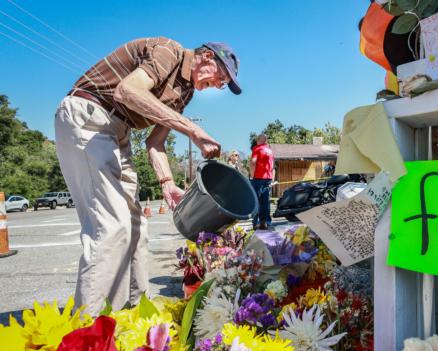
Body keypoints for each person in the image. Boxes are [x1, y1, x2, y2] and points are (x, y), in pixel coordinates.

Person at [54, 37, 241, 315]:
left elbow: (155, 143)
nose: (218, 85)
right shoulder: (168, 51)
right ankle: (91, 330)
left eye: (223, 83)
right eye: (221, 77)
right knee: (111, 225)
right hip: (90, 117)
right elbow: (127, 91)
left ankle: (134, 314)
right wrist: (192, 130)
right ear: (206, 57)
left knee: (136, 228)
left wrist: (167, 183)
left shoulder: (185, 92)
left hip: (119, 132)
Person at [249, 134, 274, 230]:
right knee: (265, 201)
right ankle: (265, 222)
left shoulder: (257, 148)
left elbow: (253, 162)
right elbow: (272, 167)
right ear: (266, 140)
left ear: (258, 140)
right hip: (268, 178)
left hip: (258, 178)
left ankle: (255, 223)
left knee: (256, 201)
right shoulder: (270, 151)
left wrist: (252, 175)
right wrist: (271, 177)